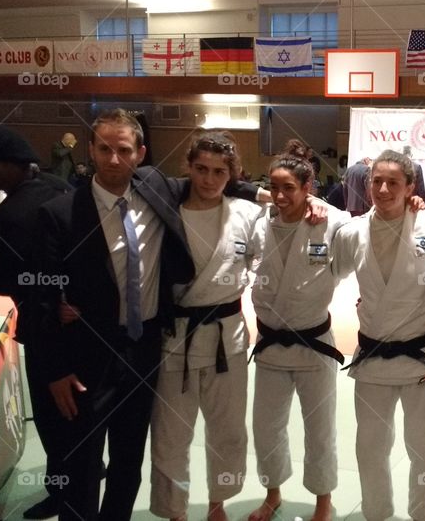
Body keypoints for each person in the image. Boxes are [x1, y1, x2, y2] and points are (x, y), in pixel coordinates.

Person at [35, 109, 264, 520]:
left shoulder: (155, 188)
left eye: (124, 150)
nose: (113, 159)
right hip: (90, 353)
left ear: (140, 154)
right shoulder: (62, 213)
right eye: (104, 148)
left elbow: (216, 184)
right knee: (84, 459)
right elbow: (41, 299)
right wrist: (55, 368)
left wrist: (282, 194)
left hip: (146, 347)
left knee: (130, 457)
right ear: (90, 149)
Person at [331, 149, 425, 521]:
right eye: (377, 181)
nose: (383, 189)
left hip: (422, 358)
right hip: (372, 358)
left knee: (424, 449)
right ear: (367, 184)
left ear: (410, 186)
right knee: (370, 448)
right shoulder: (352, 233)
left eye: (393, 183)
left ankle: (424, 515)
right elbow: (329, 272)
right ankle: (376, 513)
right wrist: (315, 212)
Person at [149, 132, 262, 521]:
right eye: (201, 169)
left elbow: (267, 258)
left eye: (219, 171)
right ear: (188, 168)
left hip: (226, 337)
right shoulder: (164, 213)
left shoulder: (246, 214)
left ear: (232, 174)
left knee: (228, 430)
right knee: (170, 434)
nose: (209, 180)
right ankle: (175, 511)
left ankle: (218, 503)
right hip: (175, 338)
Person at [0, 125, 71, 520]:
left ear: (4, 165)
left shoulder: (11, 215)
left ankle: (61, 491)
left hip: (45, 328)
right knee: (75, 412)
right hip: (79, 319)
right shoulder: (60, 188)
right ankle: (87, 467)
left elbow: (10, 280)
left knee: (49, 415)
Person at [248, 153, 350, 521]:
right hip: (271, 345)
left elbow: (362, 225)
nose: (279, 196)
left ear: (308, 189)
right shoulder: (259, 226)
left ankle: (324, 501)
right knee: (266, 426)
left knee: (319, 429)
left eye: (289, 188)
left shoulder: (331, 223)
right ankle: (272, 494)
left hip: (314, 345)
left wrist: (323, 207)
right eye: (274, 187)